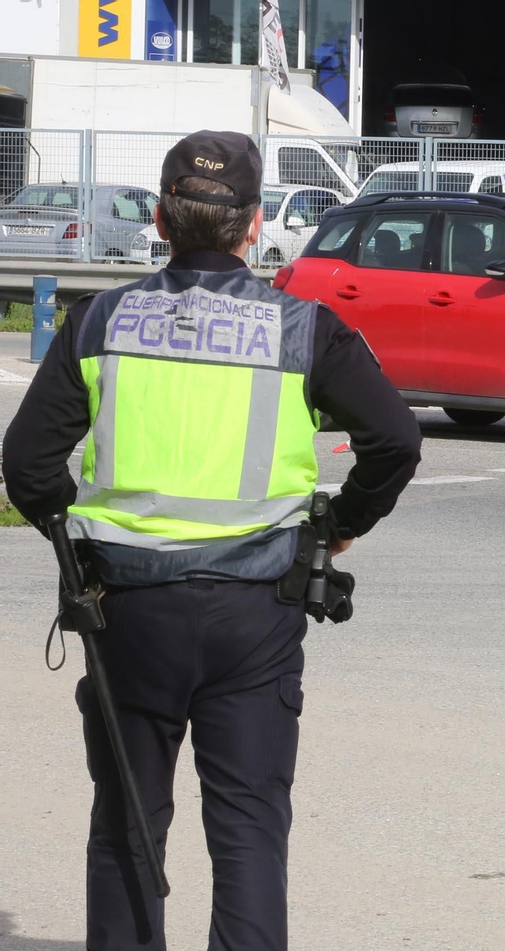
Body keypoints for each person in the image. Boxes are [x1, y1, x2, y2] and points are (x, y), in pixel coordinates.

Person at [1, 131, 422, 949]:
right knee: (249, 827)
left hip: (127, 608)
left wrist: (68, 534)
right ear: (255, 224)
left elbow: (26, 463)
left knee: (127, 823)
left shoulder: (100, 322)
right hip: (255, 613)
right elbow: (397, 440)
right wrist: (342, 521)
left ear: (160, 220)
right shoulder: (305, 329)